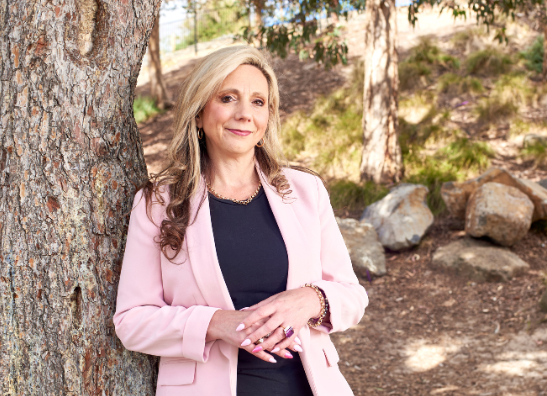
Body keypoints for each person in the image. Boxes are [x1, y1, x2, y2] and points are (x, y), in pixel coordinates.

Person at [113, 45, 368, 396]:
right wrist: (217, 324)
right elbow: (132, 321)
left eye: (258, 102)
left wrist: (311, 300)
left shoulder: (306, 191)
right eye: (228, 98)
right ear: (199, 112)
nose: (245, 114)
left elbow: (353, 296)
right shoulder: (158, 204)